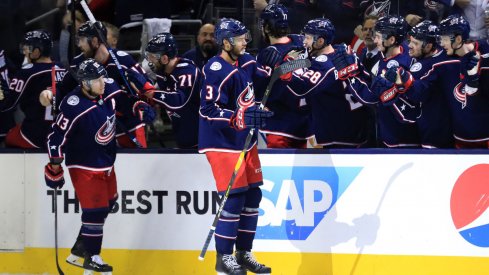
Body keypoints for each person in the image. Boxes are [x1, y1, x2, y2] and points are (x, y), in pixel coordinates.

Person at [44, 59, 140, 272]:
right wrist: (54, 168)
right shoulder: (73, 106)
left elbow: (125, 97)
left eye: (102, 78)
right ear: (84, 83)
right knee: (96, 211)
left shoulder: (106, 89)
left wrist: (138, 104)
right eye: (97, 80)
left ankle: (80, 249)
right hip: (84, 166)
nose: (102, 83)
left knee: (110, 202)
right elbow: (55, 138)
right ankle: (92, 256)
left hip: (106, 163)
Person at [198, 18, 273, 275]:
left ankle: (243, 253)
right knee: (235, 198)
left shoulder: (245, 62)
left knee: (253, 196)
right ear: (226, 42)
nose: (245, 42)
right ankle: (224, 258)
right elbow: (207, 110)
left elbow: (265, 80)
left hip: (244, 139)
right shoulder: (216, 68)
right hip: (221, 142)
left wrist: (277, 62)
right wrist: (239, 117)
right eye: (240, 39)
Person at [42, 21, 153, 148]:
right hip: (95, 127)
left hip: (127, 125)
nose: (79, 45)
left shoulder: (123, 60)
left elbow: (146, 89)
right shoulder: (78, 63)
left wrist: (142, 101)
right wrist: (51, 95)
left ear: (94, 41)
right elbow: (63, 89)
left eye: (82, 40)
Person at [333, 15, 421, 148]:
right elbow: (375, 84)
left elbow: (372, 98)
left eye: (379, 37)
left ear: (391, 40)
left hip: (400, 139)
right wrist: (359, 70)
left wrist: (351, 76)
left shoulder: (396, 67)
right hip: (393, 133)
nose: (375, 39)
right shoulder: (397, 53)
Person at [283, 18, 370, 148]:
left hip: (338, 133)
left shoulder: (324, 64)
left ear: (320, 41)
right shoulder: (342, 51)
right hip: (355, 127)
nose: (304, 42)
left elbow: (300, 88)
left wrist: (285, 67)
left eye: (307, 38)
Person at [126, 33, 203, 149]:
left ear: (164, 58)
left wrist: (149, 91)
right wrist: (145, 102)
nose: (149, 61)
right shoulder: (163, 72)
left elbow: (179, 101)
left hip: (203, 139)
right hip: (184, 135)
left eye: (152, 56)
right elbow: (157, 95)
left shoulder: (187, 71)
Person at [255, 3, 310, 148]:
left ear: (267, 28)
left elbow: (258, 92)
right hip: (306, 123)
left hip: (279, 126)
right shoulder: (302, 41)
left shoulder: (266, 55)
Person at [0, 30, 66, 149]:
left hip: (35, 135)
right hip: (60, 133)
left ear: (36, 52)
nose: (25, 52)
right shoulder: (63, 68)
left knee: (8, 136)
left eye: (28, 48)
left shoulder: (28, 72)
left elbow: (8, 104)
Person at [398, 20, 457, 148]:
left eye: (415, 43)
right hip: (433, 128)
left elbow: (419, 93)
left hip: (436, 133)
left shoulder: (433, 65)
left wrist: (403, 80)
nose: (410, 46)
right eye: (410, 41)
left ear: (429, 46)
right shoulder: (442, 56)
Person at [438, 14, 489, 148]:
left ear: (458, 39)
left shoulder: (486, 54)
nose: (442, 43)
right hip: (460, 141)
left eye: (444, 39)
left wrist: (474, 79)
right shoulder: (443, 60)